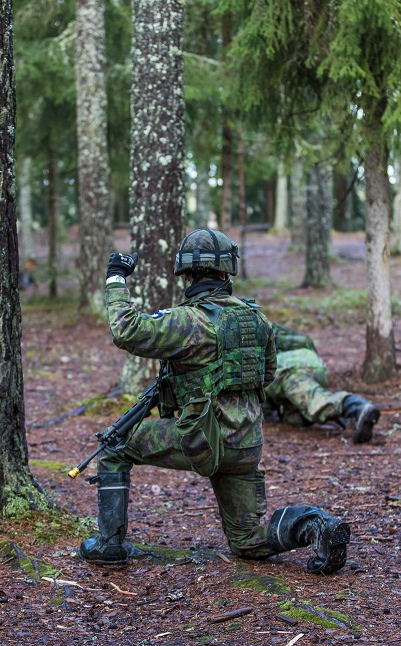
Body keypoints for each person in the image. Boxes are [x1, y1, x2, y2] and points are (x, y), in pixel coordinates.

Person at [78, 228, 351, 575]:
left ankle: (108, 545)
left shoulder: (187, 322)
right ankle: (315, 526)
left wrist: (116, 278)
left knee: (115, 447)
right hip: (247, 444)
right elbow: (267, 376)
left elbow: (127, 330)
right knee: (249, 541)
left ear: (187, 274)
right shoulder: (258, 320)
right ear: (226, 272)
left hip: (204, 441)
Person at [264, 322, 380, 443]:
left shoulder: (261, 372)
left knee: (316, 403)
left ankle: (358, 407)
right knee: (294, 419)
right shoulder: (268, 335)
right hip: (312, 361)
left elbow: (261, 407)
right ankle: (350, 421)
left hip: (290, 370)